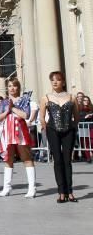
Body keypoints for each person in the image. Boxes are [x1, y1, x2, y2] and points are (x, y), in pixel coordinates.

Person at [39, 71, 79, 203]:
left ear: (63, 82)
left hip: (68, 131)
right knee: (57, 160)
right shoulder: (46, 97)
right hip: (53, 130)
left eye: (58, 79)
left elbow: (76, 116)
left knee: (67, 160)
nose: (55, 82)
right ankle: (61, 192)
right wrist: (46, 127)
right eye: (52, 80)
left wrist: (72, 126)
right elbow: (42, 118)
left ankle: (70, 191)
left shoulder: (71, 97)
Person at [0, 78, 36, 198]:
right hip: (7, 131)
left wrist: (13, 108)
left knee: (26, 158)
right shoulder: (4, 102)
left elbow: (26, 115)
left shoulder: (24, 100)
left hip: (20, 131)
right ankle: (6, 187)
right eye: (9, 86)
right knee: (8, 159)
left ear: (18, 87)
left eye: (14, 86)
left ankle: (32, 188)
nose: (12, 88)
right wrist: (7, 110)